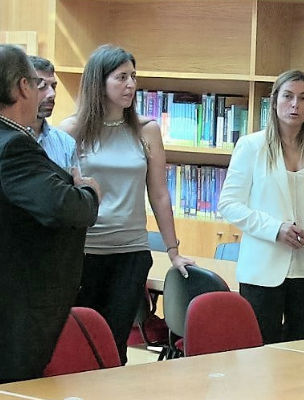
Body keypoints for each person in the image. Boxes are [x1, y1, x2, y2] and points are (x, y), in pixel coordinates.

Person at [0, 44, 101, 389]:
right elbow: (67, 208)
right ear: (22, 87)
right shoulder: (11, 147)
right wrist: (90, 192)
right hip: (5, 338)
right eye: (37, 83)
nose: (45, 93)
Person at [59, 44, 192, 364]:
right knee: (82, 343)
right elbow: (61, 195)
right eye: (121, 77)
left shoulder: (147, 130)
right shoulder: (70, 130)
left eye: (133, 76)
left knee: (115, 342)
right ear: (99, 81)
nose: (131, 84)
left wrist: (173, 251)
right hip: (84, 252)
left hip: (130, 252)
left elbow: (159, 193)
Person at [218, 70, 304, 344]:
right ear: (274, 101)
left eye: (303, 98)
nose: (295, 105)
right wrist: (275, 229)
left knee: (303, 351)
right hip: (263, 268)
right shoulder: (252, 146)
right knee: (261, 352)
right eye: (288, 96)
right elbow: (228, 204)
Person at [26, 56, 76, 170]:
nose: (52, 94)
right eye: (42, 86)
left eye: (53, 86)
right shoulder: (3, 139)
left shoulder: (66, 143)